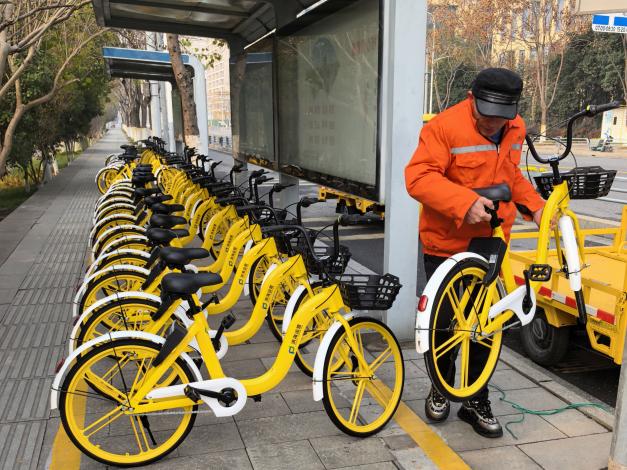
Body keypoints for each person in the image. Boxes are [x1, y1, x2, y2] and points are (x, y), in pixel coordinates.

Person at [404, 68, 545, 438]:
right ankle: (441, 388)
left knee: (486, 326)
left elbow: (510, 176)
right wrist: (464, 203)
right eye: (487, 114)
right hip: (447, 244)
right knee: (445, 325)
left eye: (502, 115)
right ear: (471, 98)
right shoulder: (443, 127)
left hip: (491, 243)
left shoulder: (515, 128)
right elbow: (418, 178)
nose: (494, 122)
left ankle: (475, 398)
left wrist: (536, 205)